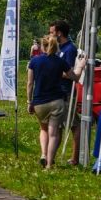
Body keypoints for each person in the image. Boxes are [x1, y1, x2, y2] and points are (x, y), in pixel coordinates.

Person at [27, 34, 71, 169]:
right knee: (54, 133)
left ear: (42, 46)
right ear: (55, 46)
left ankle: (43, 154)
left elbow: (29, 83)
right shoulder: (60, 61)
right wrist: (80, 66)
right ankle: (49, 164)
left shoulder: (34, 61)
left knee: (43, 129)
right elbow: (74, 77)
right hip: (56, 101)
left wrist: (29, 102)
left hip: (40, 102)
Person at [49, 20, 80, 165]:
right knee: (57, 126)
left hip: (67, 92)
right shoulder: (58, 48)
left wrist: (54, 70)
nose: (50, 35)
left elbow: (70, 73)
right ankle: (51, 158)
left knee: (73, 124)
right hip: (56, 92)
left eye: (52, 32)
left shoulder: (70, 49)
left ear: (59, 33)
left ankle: (75, 158)